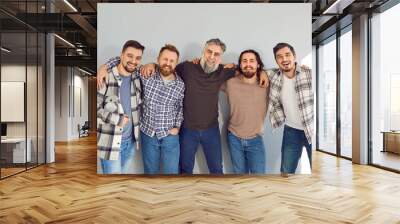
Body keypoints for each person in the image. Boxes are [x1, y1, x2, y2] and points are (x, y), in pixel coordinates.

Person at [99, 44, 185, 174]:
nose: (168, 63)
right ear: (158, 59)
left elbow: (180, 107)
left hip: (169, 135)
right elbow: (124, 62)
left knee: (172, 173)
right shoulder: (146, 74)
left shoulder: (180, 84)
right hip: (148, 134)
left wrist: (177, 127)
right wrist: (104, 67)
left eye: (172, 61)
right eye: (165, 59)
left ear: (176, 63)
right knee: (150, 173)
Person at [97, 40, 144, 174]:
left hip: (130, 143)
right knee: (113, 187)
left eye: (138, 58)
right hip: (111, 143)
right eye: (130, 56)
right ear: (121, 55)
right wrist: (117, 120)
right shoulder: (106, 77)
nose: (133, 61)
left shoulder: (137, 77)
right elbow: (96, 109)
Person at [267, 43, 314, 177]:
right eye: (280, 57)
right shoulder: (273, 75)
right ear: (276, 61)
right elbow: (255, 70)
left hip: (311, 130)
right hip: (291, 130)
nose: (284, 59)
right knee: (286, 173)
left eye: (287, 55)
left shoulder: (309, 73)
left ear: (294, 56)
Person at [222, 49, 269, 174]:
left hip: (256, 139)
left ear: (258, 65)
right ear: (240, 65)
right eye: (244, 61)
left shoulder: (266, 84)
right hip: (234, 137)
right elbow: (212, 70)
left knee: (259, 178)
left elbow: (283, 72)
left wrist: (263, 72)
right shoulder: (230, 82)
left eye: (252, 61)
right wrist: (233, 67)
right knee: (239, 177)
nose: (248, 64)